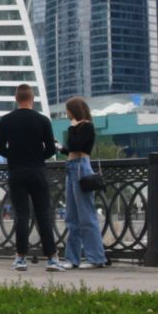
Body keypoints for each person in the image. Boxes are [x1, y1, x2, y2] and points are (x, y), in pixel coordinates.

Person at [0, 84, 65, 271]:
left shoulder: (6, 120)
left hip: (16, 172)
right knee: (43, 215)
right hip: (37, 172)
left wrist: (16, 156)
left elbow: (0, 149)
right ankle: (52, 258)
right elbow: (50, 149)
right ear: (32, 98)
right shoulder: (42, 120)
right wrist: (35, 156)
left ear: (16, 99)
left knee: (21, 215)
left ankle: (20, 258)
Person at [59, 97, 107, 269]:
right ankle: (72, 259)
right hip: (72, 167)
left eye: (68, 110)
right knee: (71, 217)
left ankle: (97, 259)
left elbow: (77, 145)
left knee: (86, 216)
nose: (66, 113)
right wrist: (59, 148)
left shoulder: (86, 126)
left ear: (74, 110)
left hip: (81, 168)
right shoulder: (77, 127)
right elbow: (71, 148)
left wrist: (72, 128)